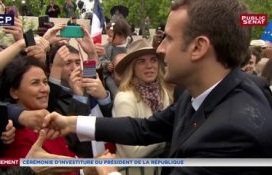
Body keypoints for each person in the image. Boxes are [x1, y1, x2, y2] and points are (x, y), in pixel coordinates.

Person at [42, 0, 272, 175]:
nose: (160, 50)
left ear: (198, 47)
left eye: (168, 39)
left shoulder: (233, 134)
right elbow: (144, 129)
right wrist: (71, 123)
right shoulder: (201, 93)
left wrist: (109, 172)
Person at [113, 39, 171, 158]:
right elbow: (132, 153)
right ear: (132, 67)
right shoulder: (125, 99)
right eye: (141, 61)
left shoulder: (163, 92)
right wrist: (166, 133)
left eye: (153, 60)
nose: (149, 66)